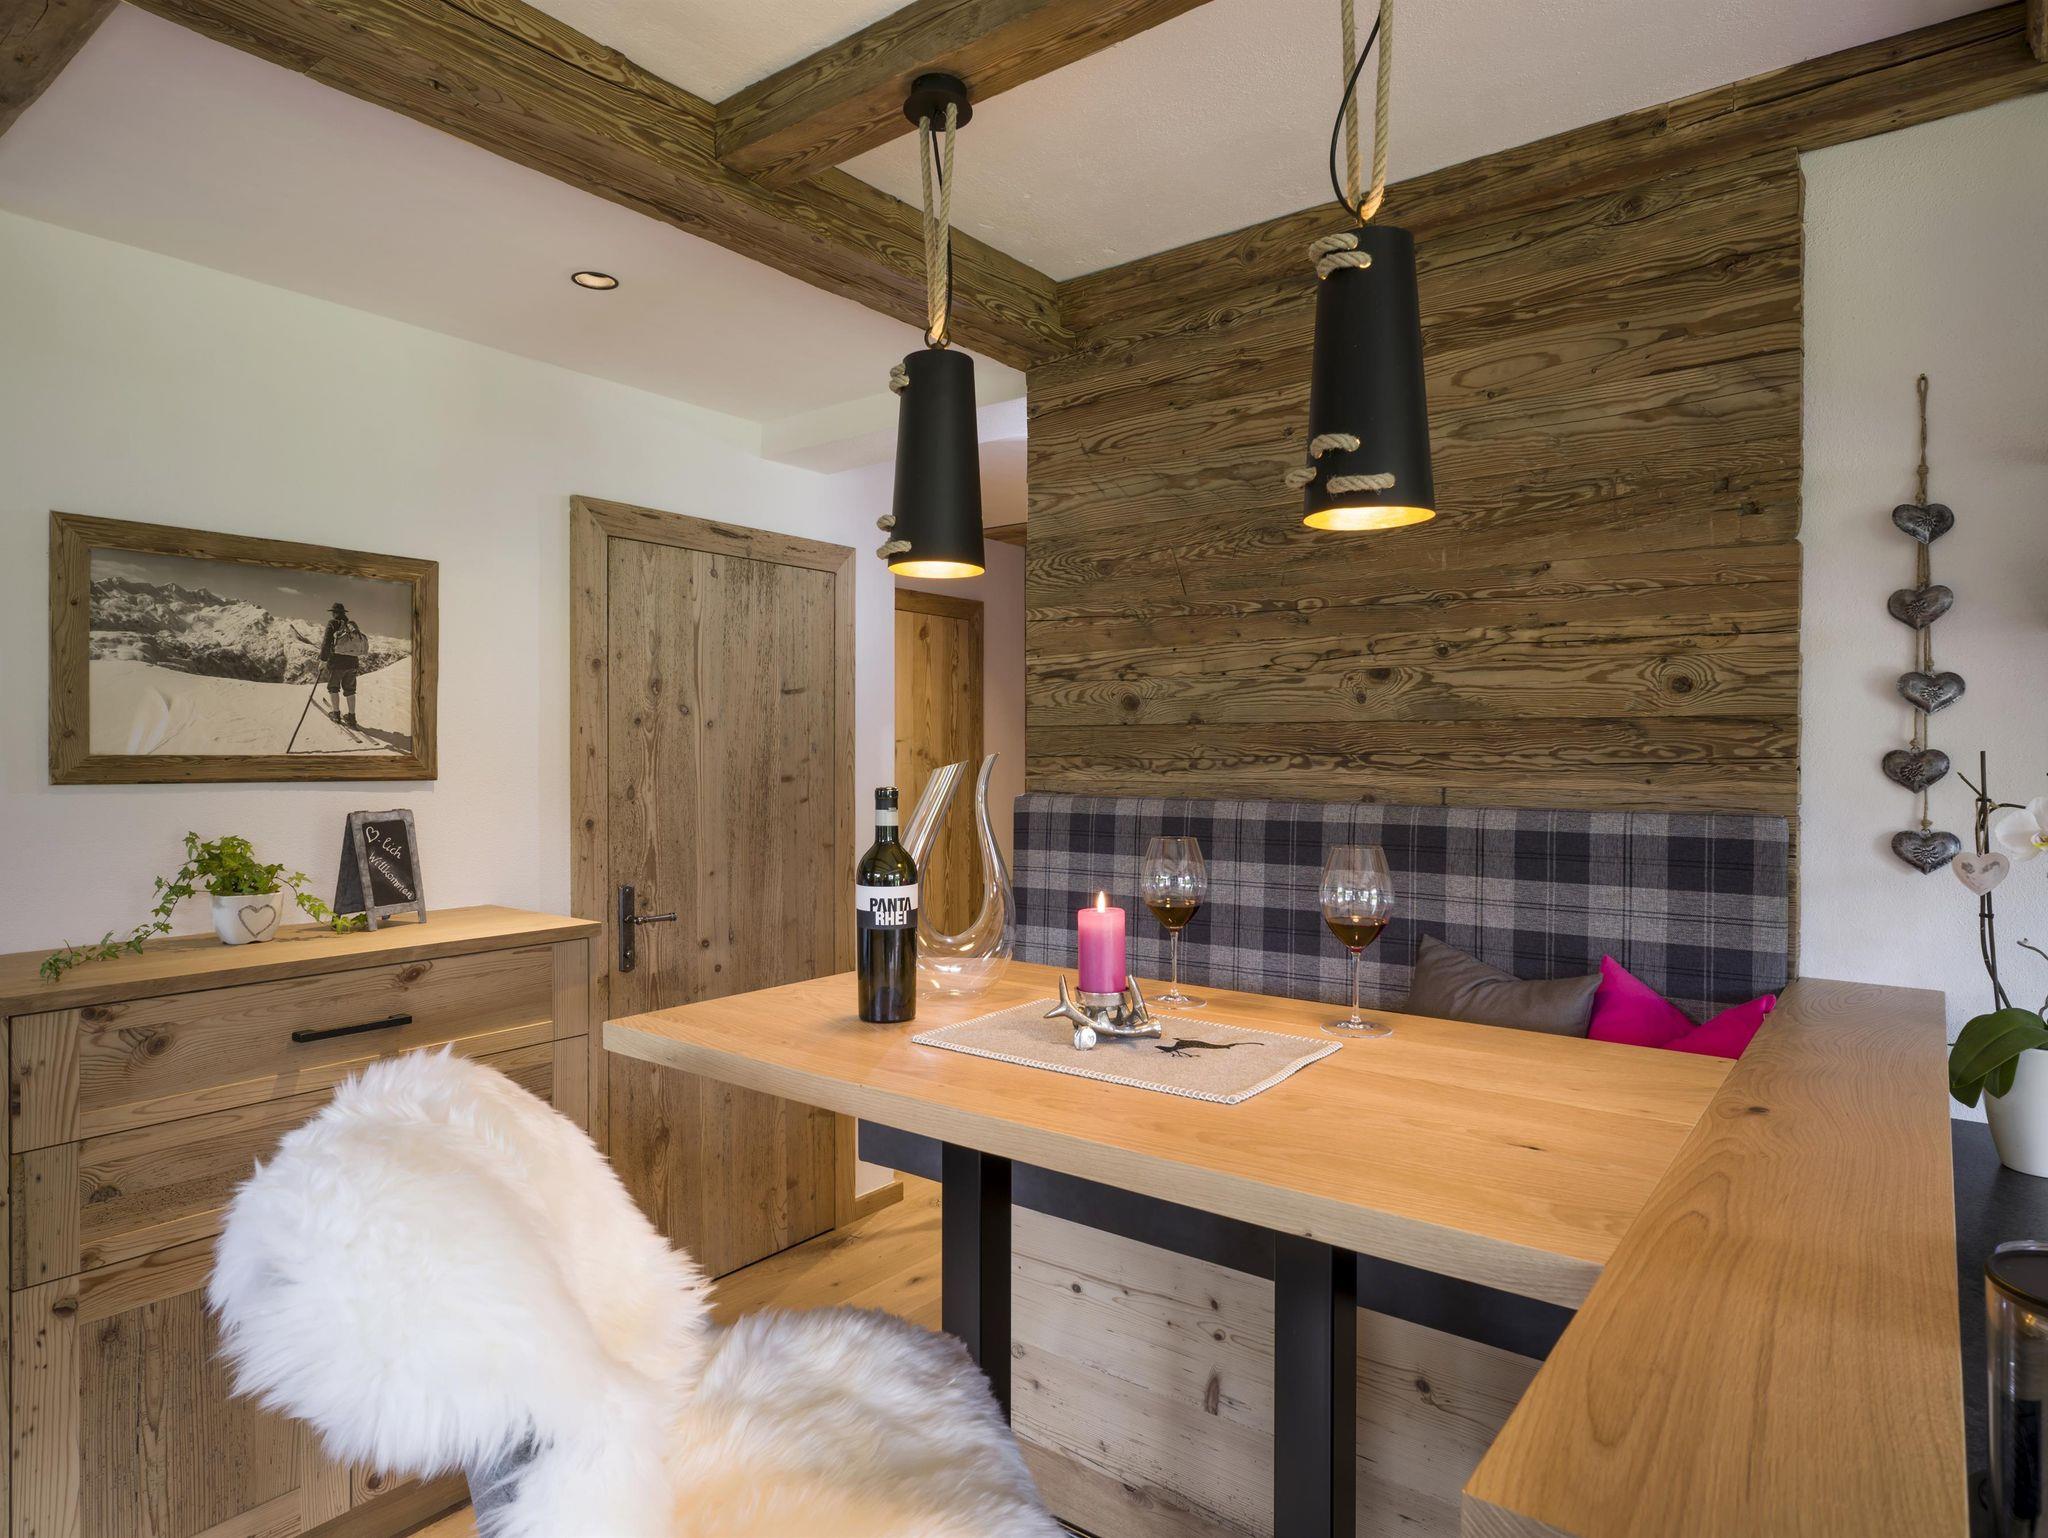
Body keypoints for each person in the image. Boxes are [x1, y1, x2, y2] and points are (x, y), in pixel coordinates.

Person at [318, 601, 369, 729]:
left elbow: (326, 643)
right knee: (350, 690)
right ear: (343, 613)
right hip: (353, 663)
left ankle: (336, 714)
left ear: (334, 613)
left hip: (336, 662)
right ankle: (352, 717)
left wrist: (323, 660)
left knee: (333, 687)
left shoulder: (332, 623)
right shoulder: (351, 625)